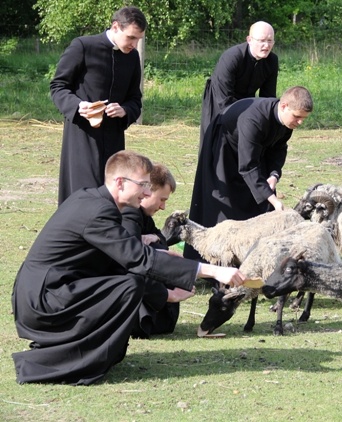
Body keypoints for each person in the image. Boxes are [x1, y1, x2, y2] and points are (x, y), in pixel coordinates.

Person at [11, 151, 245, 385]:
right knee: (129, 286)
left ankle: (86, 354)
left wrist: (157, 258)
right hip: (43, 301)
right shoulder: (99, 211)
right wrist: (213, 271)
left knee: (130, 283)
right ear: (120, 183)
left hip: (43, 292)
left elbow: (123, 255)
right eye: (143, 185)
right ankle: (52, 364)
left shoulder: (92, 200)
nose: (146, 192)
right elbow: (136, 259)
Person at [184, 86, 313, 262]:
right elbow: (248, 167)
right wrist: (274, 200)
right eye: (297, 117)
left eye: (303, 119)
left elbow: (278, 149)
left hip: (253, 149)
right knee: (225, 204)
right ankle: (214, 264)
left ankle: (253, 259)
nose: (300, 123)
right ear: (284, 106)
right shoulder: (253, 119)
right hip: (224, 145)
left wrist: (274, 175)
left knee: (258, 202)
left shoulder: (286, 122)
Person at [50, 6, 146, 205]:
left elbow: (135, 99)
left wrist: (125, 110)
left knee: (111, 194)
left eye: (138, 39)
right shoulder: (83, 46)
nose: (134, 44)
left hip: (113, 139)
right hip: (82, 137)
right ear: (115, 27)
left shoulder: (132, 57)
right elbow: (58, 86)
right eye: (131, 38)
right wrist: (78, 106)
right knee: (81, 195)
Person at [121, 163, 193, 339]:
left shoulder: (142, 216)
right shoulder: (129, 214)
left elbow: (161, 240)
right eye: (162, 199)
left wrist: (156, 239)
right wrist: (171, 295)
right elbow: (131, 261)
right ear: (147, 192)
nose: (163, 207)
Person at [199, 21, 278, 152]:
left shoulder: (272, 61)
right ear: (249, 40)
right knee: (214, 144)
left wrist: (266, 122)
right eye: (262, 40)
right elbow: (224, 99)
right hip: (218, 100)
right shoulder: (232, 57)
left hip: (247, 101)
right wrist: (245, 119)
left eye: (270, 41)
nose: (266, 45)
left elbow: (268, 97)